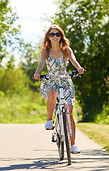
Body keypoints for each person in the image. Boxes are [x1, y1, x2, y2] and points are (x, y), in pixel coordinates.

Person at [33, 24, 85, 154]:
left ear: (61, 36)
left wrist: (79, 68)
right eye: (52, 34)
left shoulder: (66, 50)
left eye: (57, 34)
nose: (55, 36)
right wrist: (37, 73)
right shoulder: (45, 51)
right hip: (51, 80)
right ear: (48, 37)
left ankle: (72, 144)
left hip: (65, 81)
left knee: (70, 114)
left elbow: (74, 60)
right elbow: (41, 64)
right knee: (52, 92)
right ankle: (49, 120)